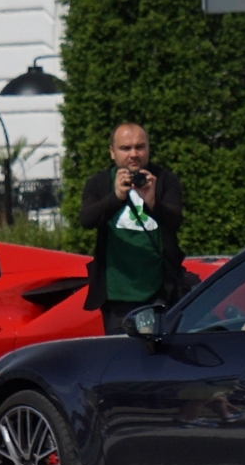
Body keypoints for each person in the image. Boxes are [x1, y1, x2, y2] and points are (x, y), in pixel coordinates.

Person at [78, 122, 189, 335]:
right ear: (112, 152)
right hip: (117, 296)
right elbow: (87, 219)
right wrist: (116, 197)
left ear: (148, 148)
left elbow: (175, 220)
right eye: (125, 148)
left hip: (160, 292)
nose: (134, 154)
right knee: (122, 357)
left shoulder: (164, 180)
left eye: (140, 147)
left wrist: (153, 203)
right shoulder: (99, 183)